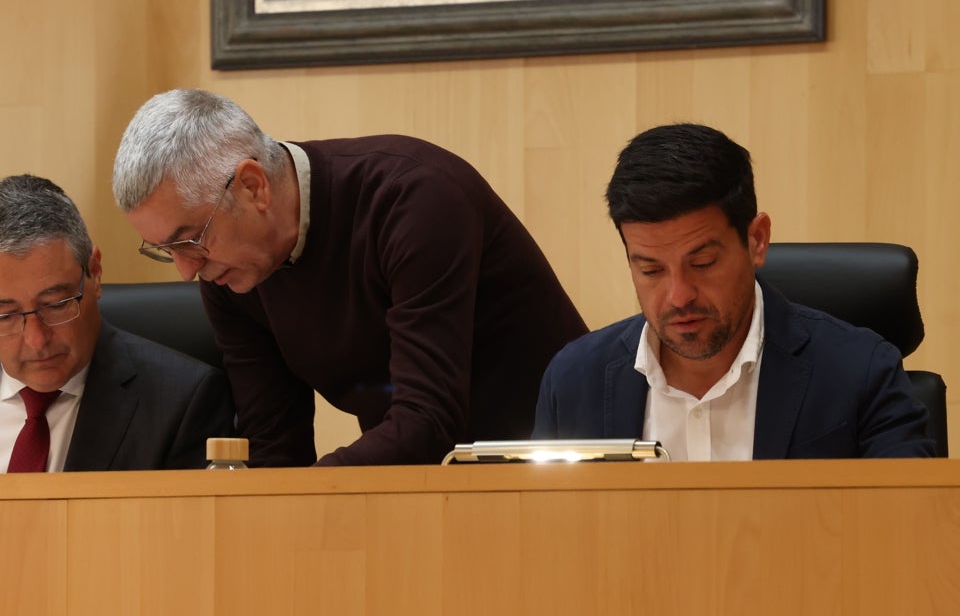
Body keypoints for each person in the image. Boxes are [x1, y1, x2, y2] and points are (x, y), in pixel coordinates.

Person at [112, 89, 588, 466]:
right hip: (427, 490)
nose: (186, 269)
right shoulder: (231, 274)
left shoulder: (413, 199)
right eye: (166, 251)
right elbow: (276, 447)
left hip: (564, 464)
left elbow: (428, 421)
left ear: (253, 186)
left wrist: (310, 493)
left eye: (189, 239)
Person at [533, 123, 935, 459]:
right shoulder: (573, 382)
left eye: (702, 264)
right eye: (651, 269)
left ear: (757, 240)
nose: (679, 296)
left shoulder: (860, 373)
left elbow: (910, 531)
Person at [0, 174, 235, 474]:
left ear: (93, 272)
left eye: (55, 304)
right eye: (5, 314)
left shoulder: (183, 402)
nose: (36, 339)